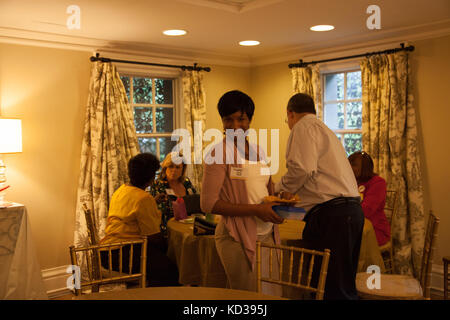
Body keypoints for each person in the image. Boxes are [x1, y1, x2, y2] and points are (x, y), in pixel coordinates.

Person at [274, 93, 364, 300]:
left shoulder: (302, 127)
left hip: (334, 215)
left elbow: (302, 169)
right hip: (350, 211)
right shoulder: (325, 130)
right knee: (341, 285)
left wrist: (277, 189)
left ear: (290, 113)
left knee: (331, 289)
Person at [201, 90, 283, 295]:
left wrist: (281, 201)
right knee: (248, 297)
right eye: (228, 119)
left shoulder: (259, 151)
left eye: (241, 119)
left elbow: (264, 190)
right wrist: (256, 210)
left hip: (267, 234)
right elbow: (208, 204)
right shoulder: (217, 153)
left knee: (271, 293)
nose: (235, 125)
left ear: (250, 120)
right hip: (235, 237)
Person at [99, 153, 180, 287]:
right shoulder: (143, 199)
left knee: (159, 259)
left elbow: (131, 211)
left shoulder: (122, 190)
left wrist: (152, 202)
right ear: (150, 178)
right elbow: (154, 236)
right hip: (124, 254)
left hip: (107, 252)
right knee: (170, 270)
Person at [149, 152, 197, 237]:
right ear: (165, 168)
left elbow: (196, 202)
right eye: (171, 166)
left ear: (183, 169)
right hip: (166, 229)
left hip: (188, 226)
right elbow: (157, 211)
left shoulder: (186, 182)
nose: (174, 170)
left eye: (178, 167)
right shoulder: (158, 184)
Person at [348, 151, 391, 246]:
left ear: (365, 167)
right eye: (348, 164)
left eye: (354, 165)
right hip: (353, 227)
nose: (349, 167)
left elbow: (366, 210)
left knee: (341, 240)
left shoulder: (378, 182)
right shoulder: (351, 182)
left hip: (374, 230)